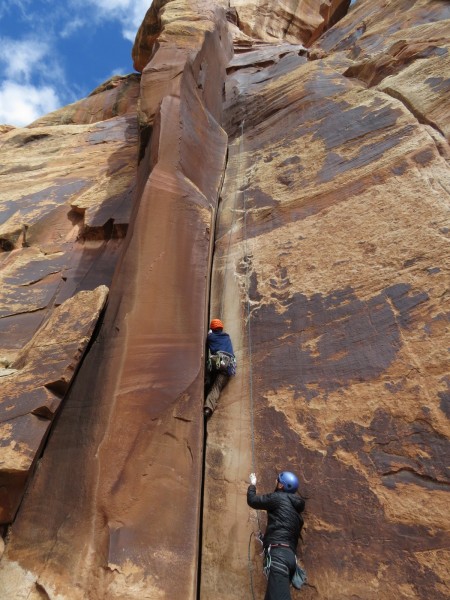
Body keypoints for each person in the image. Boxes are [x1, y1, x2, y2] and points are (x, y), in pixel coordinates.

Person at [247, 471, 305, 600]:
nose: (275, 481)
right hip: (289, 558)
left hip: (279, 557)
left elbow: (253, 501)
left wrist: (252, 485)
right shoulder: (296, 513)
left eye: (277, 480)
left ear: (281, 486)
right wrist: (266, 539)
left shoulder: (278, 497)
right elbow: (284, 531)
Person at [203, 318, 236, 418]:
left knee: (209, 370)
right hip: (228, 366)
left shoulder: (211, 337)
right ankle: (208, 409)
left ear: (212, 328)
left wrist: (210, 332)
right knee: (216, 387)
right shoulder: (227, 337)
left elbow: (210, 339)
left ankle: (206, 382)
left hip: (216, 363)